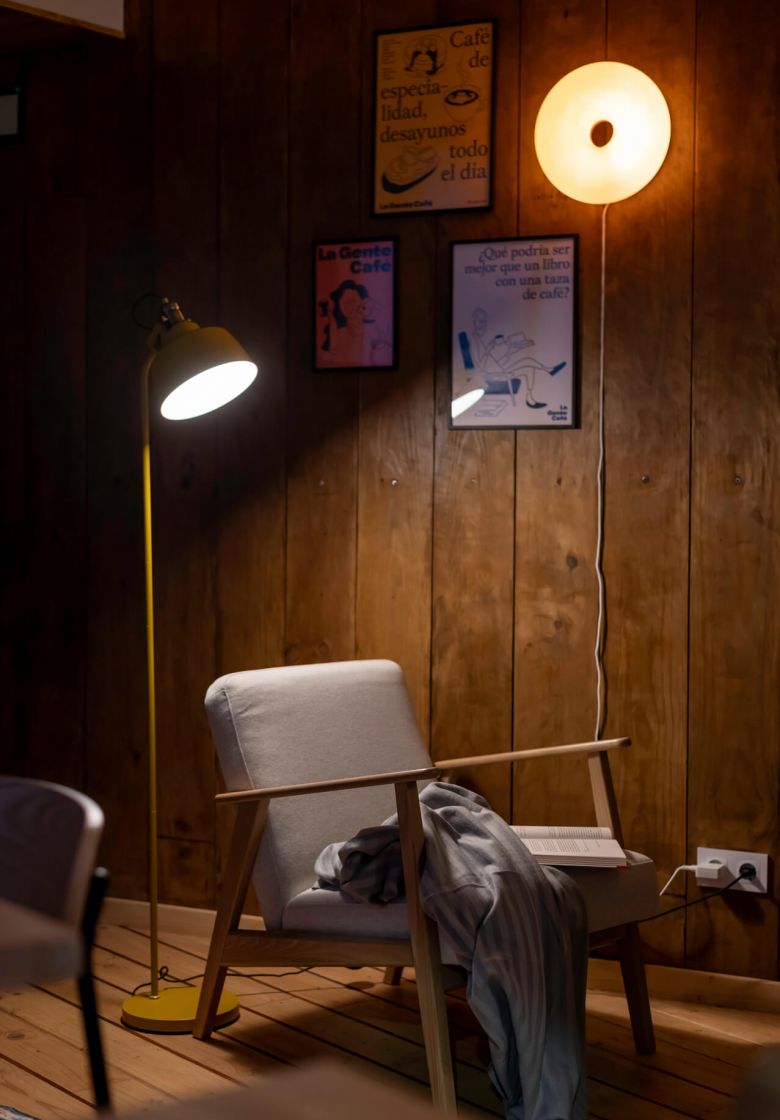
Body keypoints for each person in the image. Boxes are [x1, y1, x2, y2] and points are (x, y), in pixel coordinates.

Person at [319, 279, 392, 368]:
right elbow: (330, 354)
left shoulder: (371, 327)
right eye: (344, 302)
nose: (348, 307)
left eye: (353, 301)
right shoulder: (339, 330)